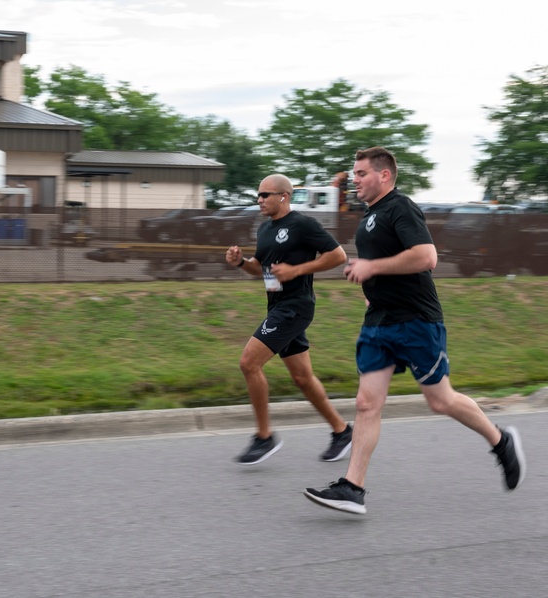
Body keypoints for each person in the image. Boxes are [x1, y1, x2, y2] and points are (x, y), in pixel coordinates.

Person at [303, 147, 525, 514]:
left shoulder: (400, 208)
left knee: (440, 401)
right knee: (365, 403)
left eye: (360, 174)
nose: (354, 180)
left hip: (416, 321)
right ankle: (352, 488)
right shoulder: (369, 218)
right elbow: (385, 266)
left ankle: (501, 442)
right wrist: (371, 292)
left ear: (384, 175)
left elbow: (426, 256)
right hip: (379, 322)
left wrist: (372, 269)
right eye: (354, 174)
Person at [225, 173, 351, 465]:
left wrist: (297, 270)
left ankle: (264, 437)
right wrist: (241, 263)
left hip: (296, 306)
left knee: (248, 363)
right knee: (303, 378)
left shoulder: (303, 224)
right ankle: (342, 431)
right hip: (277, 306)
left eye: (265, 195)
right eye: (258, 195)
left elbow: (338, 255)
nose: (259, 200)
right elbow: (261, 268)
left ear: (284, 196)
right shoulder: (265, 229)